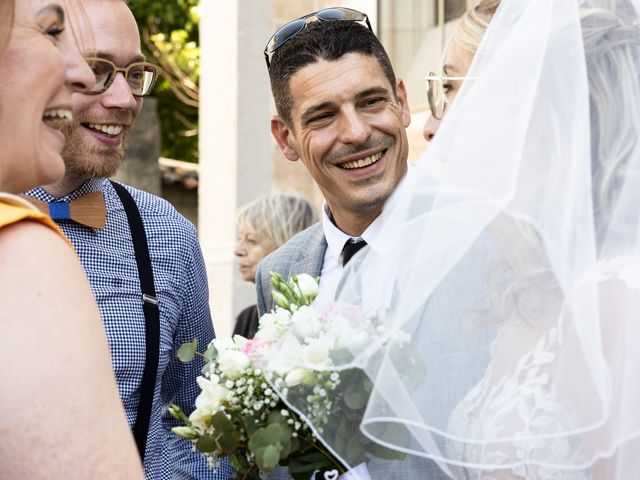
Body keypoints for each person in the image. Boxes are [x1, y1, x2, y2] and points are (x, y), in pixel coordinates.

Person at [300, 0, 640, 477]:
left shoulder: (614, 300)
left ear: (534, 109)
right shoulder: (522, 284)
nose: (432, 127)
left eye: (453, 91)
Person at [22, 1, 232, 478]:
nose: (125, 99)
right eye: (98, 71)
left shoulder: (167, 232)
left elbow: (201, 420)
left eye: (135, 73)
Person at [0, 0, 143, 477]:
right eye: (52, 31)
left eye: (135, 74)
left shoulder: (167, 234)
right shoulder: (19, 248)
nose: (78, 71)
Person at [256, 7, 413, 318]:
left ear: (402, 103)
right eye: (323, 117)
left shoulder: (486, 237)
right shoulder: (278, 273)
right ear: (286, 138)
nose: (356, 133)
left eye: (371, 102)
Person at [234, 193, 317, 338]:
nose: (238, 250)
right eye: (240, 239)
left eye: (251, 240)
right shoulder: (246, 320)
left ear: (286, 245)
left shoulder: (316, 318)